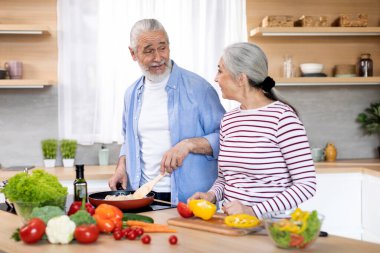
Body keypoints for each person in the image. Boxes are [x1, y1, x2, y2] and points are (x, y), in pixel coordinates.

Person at [189, 42, 316, 218]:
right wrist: (211, 195)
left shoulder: (283, 118)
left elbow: (306, 185)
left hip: (270, 229)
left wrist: (252, 211)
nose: (215, 78)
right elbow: (225, 179)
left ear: (241, 78)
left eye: (220, 70)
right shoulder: (229, 120)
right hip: (230, 223)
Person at [108, 19, 226, 204]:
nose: (158, 57)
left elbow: (226, 138)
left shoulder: (199, 89)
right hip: (143, 196)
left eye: (162, 48)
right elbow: (128, 140)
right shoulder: (131, 94)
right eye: (148, 50)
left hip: (190, 201)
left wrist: (188, 144)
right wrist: (121, 166)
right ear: (133, 53)